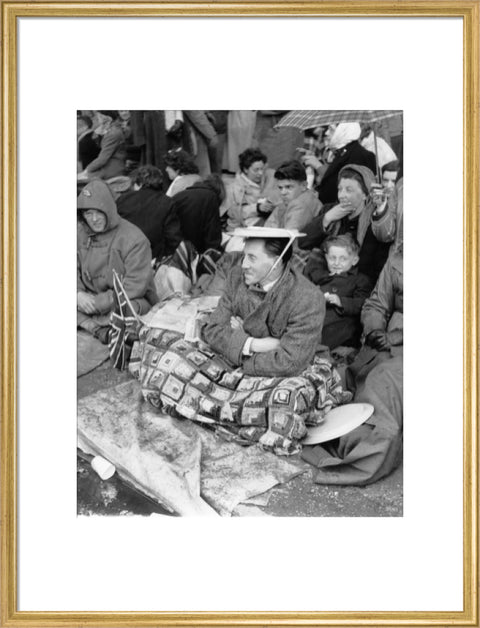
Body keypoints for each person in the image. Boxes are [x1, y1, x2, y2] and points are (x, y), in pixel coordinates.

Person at [303, 249, 403, 485]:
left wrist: (398, 337)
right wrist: (374, 330)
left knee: (382, 382)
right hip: (384, 341)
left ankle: (366, 454)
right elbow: (376, 303)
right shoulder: (399, 259)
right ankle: (323, 432)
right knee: (338, 376)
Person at [202, 228, 325, 376]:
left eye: (252, 258)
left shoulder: (308, 298)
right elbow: (213, 330)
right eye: (244, 256)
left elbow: (289, 362)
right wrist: (255, 344)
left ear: (277, 262)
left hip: (283, 375)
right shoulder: (236, 276)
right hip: (249, 362)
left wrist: (237, 343)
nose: (243, 265)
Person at [77, 179, 158, 342]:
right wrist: (77, 294)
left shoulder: (134, 239)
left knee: (129, 310)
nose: (94, 219)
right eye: (88, 214)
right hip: (89, 297)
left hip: (124, 299)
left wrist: (99, 303)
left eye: (99, 212)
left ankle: (92, 323)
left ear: (109, 210)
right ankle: (98, 329)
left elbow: (135, 285)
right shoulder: (81, 233)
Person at [299, 164, 390, 284]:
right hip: (321, 279)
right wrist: (327, 218)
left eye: (349, 190)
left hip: (355, 287)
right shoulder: (329, 210)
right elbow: (303, 242)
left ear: (365, 194)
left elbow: (372, 266)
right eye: (340, 189)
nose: (342, 195)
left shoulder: (375, 220)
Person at [304, 234, 371, 349]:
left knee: (328, 332)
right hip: (315, 315)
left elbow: (362, 303)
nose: (336, 263)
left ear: (354, 260)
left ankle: (312, 348)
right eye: (332, 258)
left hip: (341, 321)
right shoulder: (320, 274)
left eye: (343, 259)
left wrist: (341, 301)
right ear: (326, 258)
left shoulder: (360, 280)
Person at [116, 165, 182, 262]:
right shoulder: (167, 202)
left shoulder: (123, 199)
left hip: (125, 255)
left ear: (139, 183)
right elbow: (173, 238)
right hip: (154, 258)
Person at [302, 123, 376, 204]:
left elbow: (337, 186)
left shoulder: (358, 156)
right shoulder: (343, 152)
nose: (326, 133)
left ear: (342, 131)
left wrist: (318, 166)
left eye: (331, 130)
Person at [224, 148, 281, 230]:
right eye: (256, 170)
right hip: (243, 228)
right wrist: (258, 208)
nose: (260, 173)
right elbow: (234, 213)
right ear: (245, 169)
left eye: (262, 169)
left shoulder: (270, 177)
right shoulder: (234, 188)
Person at [170, 174, 225, 253]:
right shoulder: (210, 197)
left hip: (175, 250)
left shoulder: (180, 195)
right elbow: (212, 238)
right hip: (191, 251)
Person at [264, 160, 322, 231]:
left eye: (288, 187)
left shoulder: (300, 204)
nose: (283, 192)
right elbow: (267, 229)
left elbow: (288, 238)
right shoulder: (289, 201)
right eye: (280, 188)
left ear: (304, 185)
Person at [79, 110, 127, 180]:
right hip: (109, 168)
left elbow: (102, 159)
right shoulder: (110, 130)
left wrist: (87, 170)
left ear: (105, 118)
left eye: (98, 117)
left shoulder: (112, 134)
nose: (97, 119)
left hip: (111, 170)